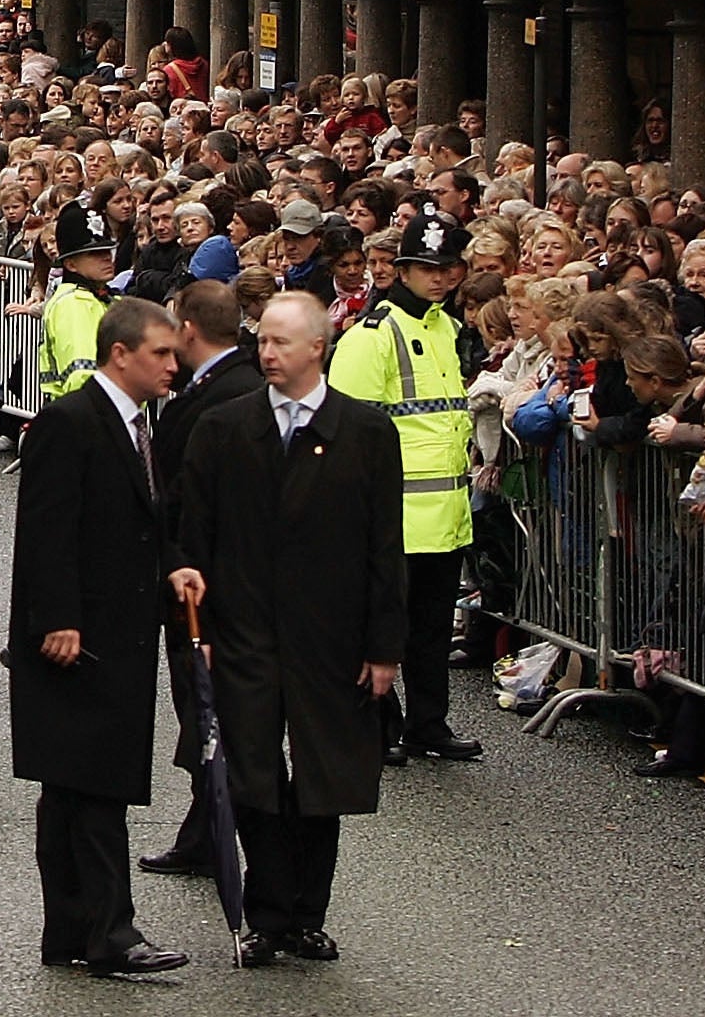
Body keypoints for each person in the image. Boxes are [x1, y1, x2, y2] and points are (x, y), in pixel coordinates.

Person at [170, 288, 407, 965]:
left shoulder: (364, 433)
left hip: (329, 635)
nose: (266, 353)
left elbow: (383, 550)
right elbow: (194, 534)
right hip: (243, 628)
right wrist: (200, 630)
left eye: (279, 342)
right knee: (250, 772)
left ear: (317, 347)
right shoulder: (224, 426)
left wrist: (383, 649)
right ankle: (268, 910)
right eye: (260, 340)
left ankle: (308, 912)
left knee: (322, 776)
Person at [7, 293, 188, 978]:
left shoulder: (141, 424)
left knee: (76, 790)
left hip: (120, 628)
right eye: (160, 354)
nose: (173, 364)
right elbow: (47, 529)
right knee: (91, 788)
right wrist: (57, 617)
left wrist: (175, 572)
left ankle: (73, 931)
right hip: (78, 636)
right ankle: (110, 932)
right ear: (121, 354)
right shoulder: (70, 422)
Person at [325, 208, 483, 764]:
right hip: (392, 515)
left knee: (432, 631)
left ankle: (427, 724)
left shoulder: (445, 326)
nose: (439, 278)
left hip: (444, 514)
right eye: (427, 268)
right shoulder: (375, 334)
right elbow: (347, 429)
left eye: (448, 267)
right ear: (403, 269)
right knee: (381, 628)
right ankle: (377, 725)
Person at [138, 277, 267, 876]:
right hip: (202, 574)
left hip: (206, 580)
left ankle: (217, 828)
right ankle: (203, 827)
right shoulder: (220, 385)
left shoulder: (225, 396)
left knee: (207, 707)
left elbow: (192, 498)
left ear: (188, 328)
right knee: (200, 709)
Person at [34, 200, 116, 402]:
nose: (106, 258)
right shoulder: (72, 304)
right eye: (95, 254)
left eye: (107, 251)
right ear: (70, 264)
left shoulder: (102, 297)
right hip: (91, 420)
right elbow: (83, 376)